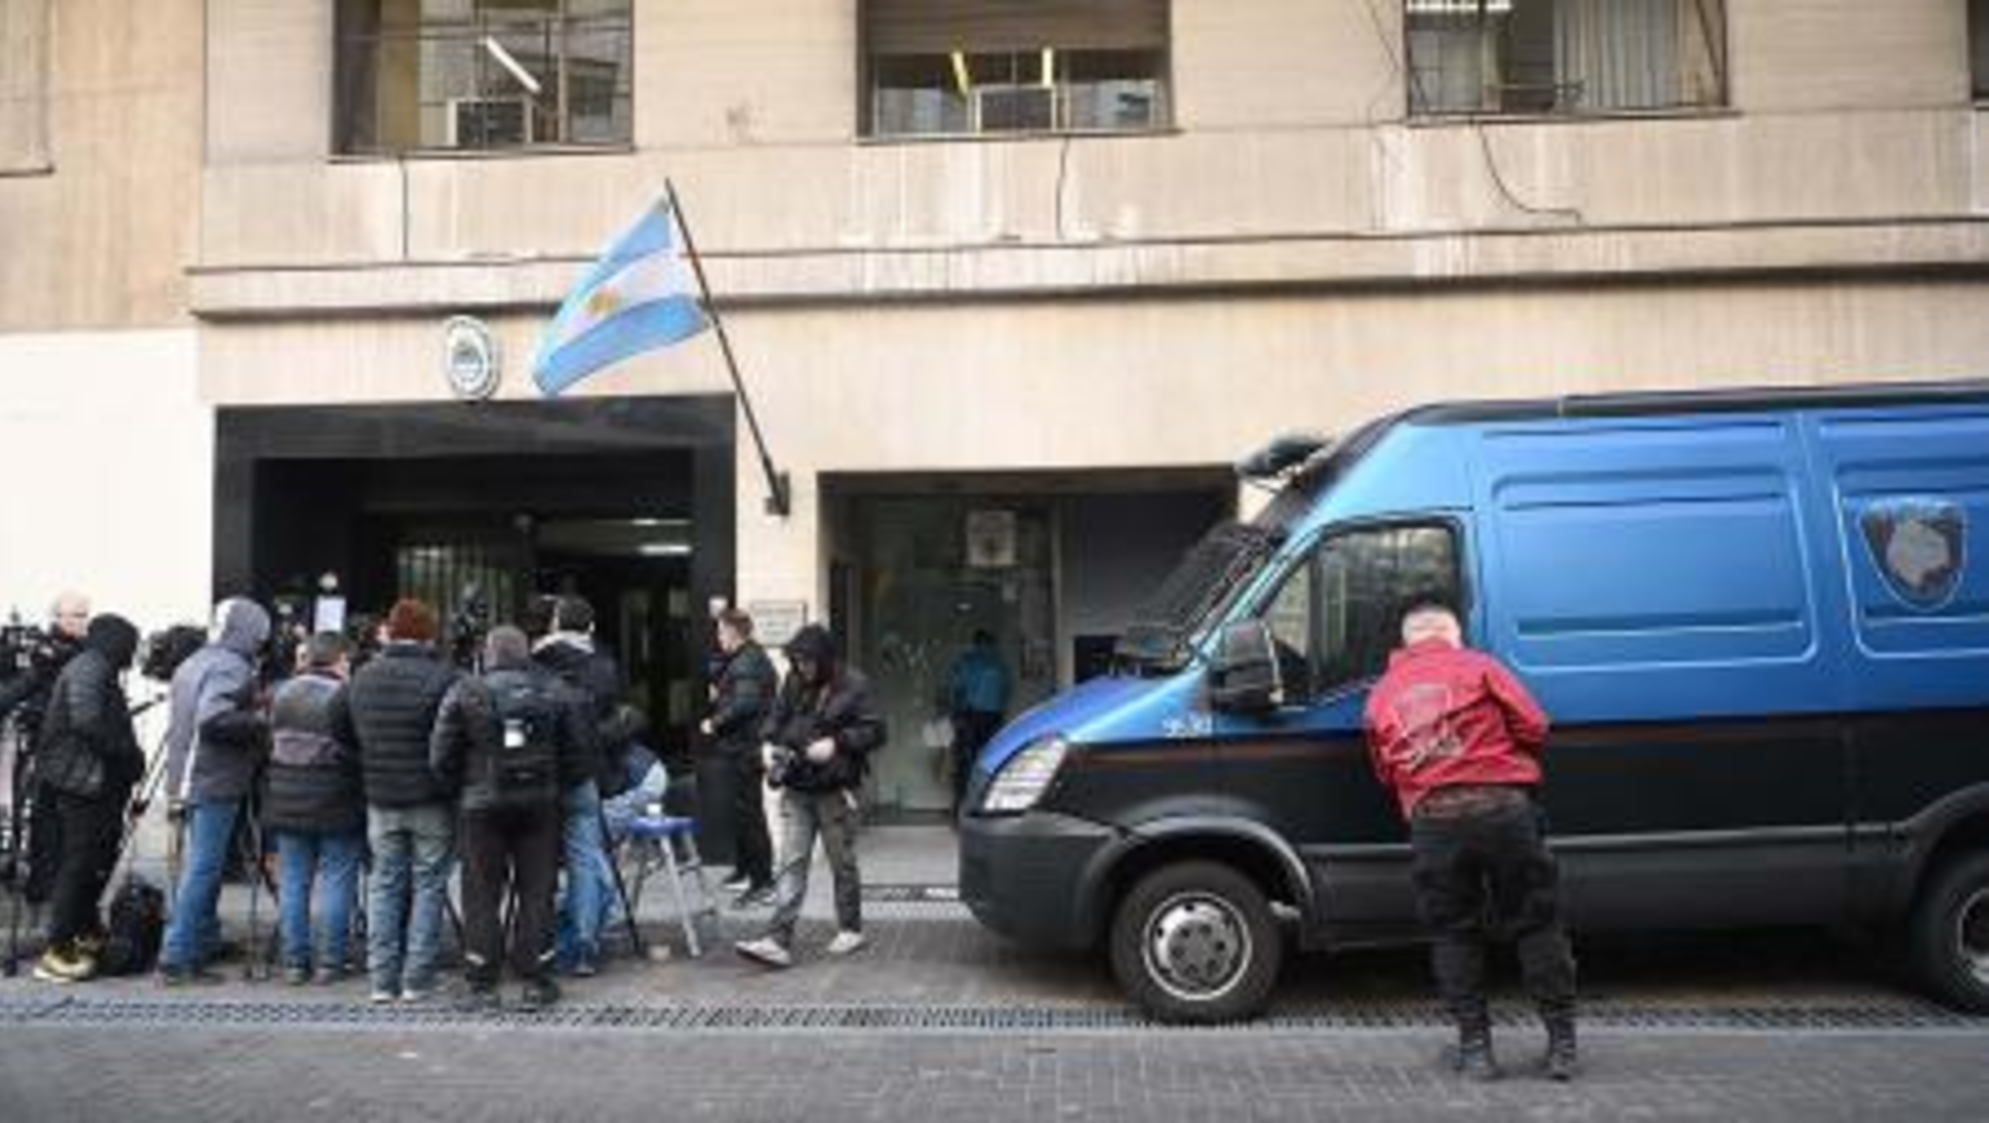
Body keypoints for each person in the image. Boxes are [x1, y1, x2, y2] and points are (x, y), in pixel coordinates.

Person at [1362, 601, 1578, 1082]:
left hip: (1435, 820)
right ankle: (1562, 1046)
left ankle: (1476, 1051)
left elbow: (1384, 771)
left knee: (1454, 931)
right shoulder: (1480, 667)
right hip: (1504, 808)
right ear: (1450, 634)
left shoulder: (1381, 696)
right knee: (1536, 921)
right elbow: (1535, 725)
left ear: (1408, 639)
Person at [432, 626, 591, 1010]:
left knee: (481, 891)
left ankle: (482, 981)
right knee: (537, 889)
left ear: (489, 653)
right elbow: (578, 754)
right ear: (526, 654)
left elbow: (441, 756)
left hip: (481, 805)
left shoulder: (466, 690)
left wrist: (461, 787)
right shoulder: (554, 690)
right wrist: (555, 785)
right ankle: (536, 979)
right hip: (540, 803)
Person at [331, 598, 461, 1004]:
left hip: (381, 798)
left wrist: (366, 762)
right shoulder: (444, 677)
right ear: (429, 634)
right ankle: (416, 980)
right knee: (429, 885)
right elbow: (457, 736)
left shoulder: (362, 677)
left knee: (384, 884)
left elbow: (338, 727)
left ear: (391, 629)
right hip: (431, 799)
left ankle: (381, 981)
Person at [734, 624, 885, 970]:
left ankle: (850, 927)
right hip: (798, 784)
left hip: (836, 788)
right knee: (791, 861)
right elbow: (776, 717)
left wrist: (837, 743)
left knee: (841, 861)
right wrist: (770, 743)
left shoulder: (854, 684)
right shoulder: (793, 679)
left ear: (826, 659)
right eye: (797, 661)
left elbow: (876, 730)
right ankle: (777, 938)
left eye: (808, 662)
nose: (802, 668)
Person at [158, 597, 271, 986]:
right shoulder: (230, 666)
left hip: (188, 777)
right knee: (204, 869)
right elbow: (214, 718)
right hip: (214, 778)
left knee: (204, 866)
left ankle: (203, 938)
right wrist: (259, 720)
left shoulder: (195, 660)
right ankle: (177, 957)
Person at [30, 614, 142, 983]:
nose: (134, 652)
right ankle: (56, 950)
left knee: (91, 861)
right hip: (82, 786)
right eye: (130, 643)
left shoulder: (96, 666)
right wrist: (125, 753)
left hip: (93, 784)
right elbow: (88, 722)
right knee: (78, 864)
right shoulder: (90, 668)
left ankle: (83, 933)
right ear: (115, 642)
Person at [261, 632, 364, 986]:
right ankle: (330, 963)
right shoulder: (345, 696)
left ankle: (295, 962)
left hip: (287, 800)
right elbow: (355, 750)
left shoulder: (279, 693)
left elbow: (266, 742)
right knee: (337, 881)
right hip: (337, 800)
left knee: (293, 882)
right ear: (340, 661)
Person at [532, 596, 626, 977]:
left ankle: (539, 941)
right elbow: (608, 723)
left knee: (535, 862)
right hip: (581, 774)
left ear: (555, 624)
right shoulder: (602, 667)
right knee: (585, 860)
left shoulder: (534, 662)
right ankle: (584, 944)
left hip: (536, 776)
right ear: (590, 629)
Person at [3, 591, 92, 907]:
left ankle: (50, 887)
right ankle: (40, 886)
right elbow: (13, 695)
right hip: (43, 752)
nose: (84, 621)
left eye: (85, 614)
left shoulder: (83, 654)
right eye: (77, 615)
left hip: (68, 755)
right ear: (57, 617)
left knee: (58, 826)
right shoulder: (46, 656)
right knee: (41, 822)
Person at [701, 608, 776, 906]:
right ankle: (746, 871)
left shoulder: (747, 661)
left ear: (733, 632)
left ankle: (763, 882)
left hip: (744, 748)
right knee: (742, 813)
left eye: (720, 631)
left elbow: (746, 703)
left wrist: (715, 721)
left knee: (749, 816)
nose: (718, 638)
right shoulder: (746, 658)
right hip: (742, 747)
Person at [944, 629, 1010, 815]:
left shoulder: (967, 661)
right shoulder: (999, 663)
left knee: (965, 762)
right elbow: (1006, 690)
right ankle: (988, 805)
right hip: (994, 717)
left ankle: (962, 807)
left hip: (969, 717)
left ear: (975, 642)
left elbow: (955, 688)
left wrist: (952, 712)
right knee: (991, 759)